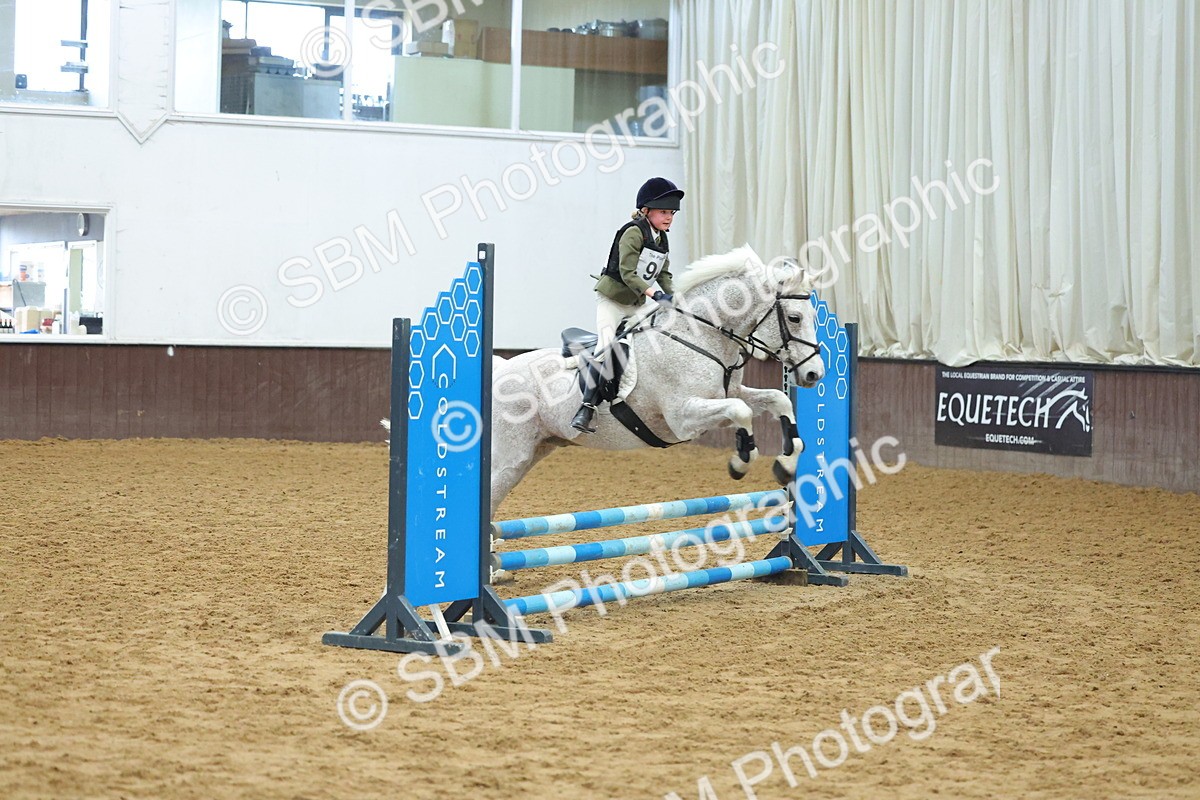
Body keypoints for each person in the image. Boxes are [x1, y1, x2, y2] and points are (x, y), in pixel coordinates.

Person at [571, 176, 684, 433]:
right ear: (646, 211)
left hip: (637, 302)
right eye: (663, 212)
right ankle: (586, 406)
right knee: (605, 348)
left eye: (672, 213)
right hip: (613, 302)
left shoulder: (661, 238)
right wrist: (656, 295)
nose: (669, 217)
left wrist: (678, 298)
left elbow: (664, 274)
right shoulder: (633, 232)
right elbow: (627, 273)